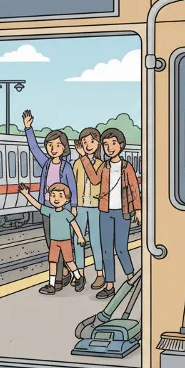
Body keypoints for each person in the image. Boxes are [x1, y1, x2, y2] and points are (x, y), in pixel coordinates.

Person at [79, 128, 141, 300]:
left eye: (113, 143)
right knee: (106, 249)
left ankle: (131, 278)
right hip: (105, 212)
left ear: (121, 145)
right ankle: (110, 285)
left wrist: (138, 210)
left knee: (121, 248)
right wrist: (84, 157)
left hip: (123, 212)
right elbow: (94, 179)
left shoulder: (126, 167)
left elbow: (135, 189)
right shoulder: (104, 166)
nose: (109, 148)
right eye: (105, 144)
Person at [22, 109, 77, 294]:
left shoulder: (66, 166)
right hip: (47, 208)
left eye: (57, 145)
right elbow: (33, 149)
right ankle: (67, 274)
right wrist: (28, 129)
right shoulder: (45, 163)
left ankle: (59, 280)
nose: (53, 148)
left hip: (64, 209)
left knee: (62, 242)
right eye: (50, 145)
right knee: (52, 243)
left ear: (64, 148)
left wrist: (74, 205)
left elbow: (72, 186)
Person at [18, 182, 86, 294]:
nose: (56, 199)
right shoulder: (50, 211)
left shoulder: (66, 213)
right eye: (53, 195)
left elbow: (74, 225)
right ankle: (51, 285)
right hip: (54, 242)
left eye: (60, 196)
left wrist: (80, 237)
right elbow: (37, 205)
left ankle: (79, 277)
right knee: (52, 262)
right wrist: (26, 194)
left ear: (67, 200)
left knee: (69, 261)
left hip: (65, 241)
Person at [72, 128, 106, 290]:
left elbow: (95, 181)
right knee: (78, 241)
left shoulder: (101, 165)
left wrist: (84, 157)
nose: (88, 145)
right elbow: (73, 185)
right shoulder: (77, 163)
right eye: (84, 142)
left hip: (95, 208)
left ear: (98, 144)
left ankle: (100, 274)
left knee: (96, 241)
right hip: (79, 207)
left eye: (91, 141)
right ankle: (80, 274)